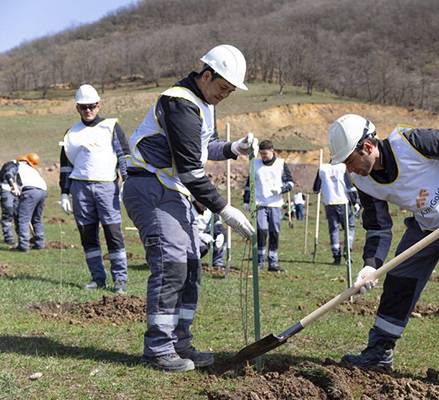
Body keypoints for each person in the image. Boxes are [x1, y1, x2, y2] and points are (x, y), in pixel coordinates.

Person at [328, 114, 439, 396]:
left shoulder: (410, 143)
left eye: (349, 160)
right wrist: (370, 265)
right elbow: (378, 227)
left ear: (368, 147)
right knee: (398, 280)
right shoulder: (364, 182)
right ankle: (380, 351)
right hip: (425, 225)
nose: (350, 169)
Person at [123, 44, 256, 372]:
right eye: (223, 88)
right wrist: (225, 210)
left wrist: (232, 148)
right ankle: (158, 348)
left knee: (191, 267)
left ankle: (180, 343)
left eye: (230, 91)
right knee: (171, 264)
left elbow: (200, 146)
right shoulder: (179, 101)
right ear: (206, 75)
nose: (224, 95)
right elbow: (191, 170)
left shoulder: (204, 103)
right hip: (151, 186)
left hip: (173, 190)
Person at [59, 84, 130, 293]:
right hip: (80, 188)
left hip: (106, 186)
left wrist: (127, 181)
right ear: (77, 108)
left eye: (91, 106)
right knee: (87, 234)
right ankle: (98, 278)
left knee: (113, 231)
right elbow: (65, 165)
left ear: (98, 105)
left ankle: (120, 279)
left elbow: (123, 155)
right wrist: (64, 192)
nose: (88, 110)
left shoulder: (111, 126)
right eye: (83, 107)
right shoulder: (71, 133)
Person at [242, 139, 294, 272]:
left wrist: (281, 189)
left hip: (275, 204)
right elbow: (249, 185)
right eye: (261, 154)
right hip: (259, 203)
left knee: (274, 232)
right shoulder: (255, 164)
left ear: (272, 151)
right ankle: (259, 260)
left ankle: (273, 262)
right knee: (261, 230)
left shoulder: (281, 164)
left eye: (265, 153)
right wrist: (246, 201)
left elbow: (290, 183)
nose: (263, 156)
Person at [312, 162, 359, 265]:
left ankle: (336, 255)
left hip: (329, 203)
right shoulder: (342, 167)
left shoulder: (322, 168)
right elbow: (349, 187)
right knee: (349, 227)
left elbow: (315, 189)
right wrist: (355, 202)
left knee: (334, 230)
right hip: (343, 202)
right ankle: (347, 251)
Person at [11, 153, 47, 252]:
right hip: (43, 190)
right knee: (37, 218)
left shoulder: (15, 167)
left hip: (30, 191)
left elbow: (12, 182)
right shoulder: (32, 170)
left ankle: (23, 245)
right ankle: (39, 243)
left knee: (23, 219)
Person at [0, 158, 19, 245]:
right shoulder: (12, 165)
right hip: (6, 191)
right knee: (8, 215)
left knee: (18, 214)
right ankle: (9, 238)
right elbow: (8, 175)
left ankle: (22, 237)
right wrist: (13, 186)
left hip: (14, 192)